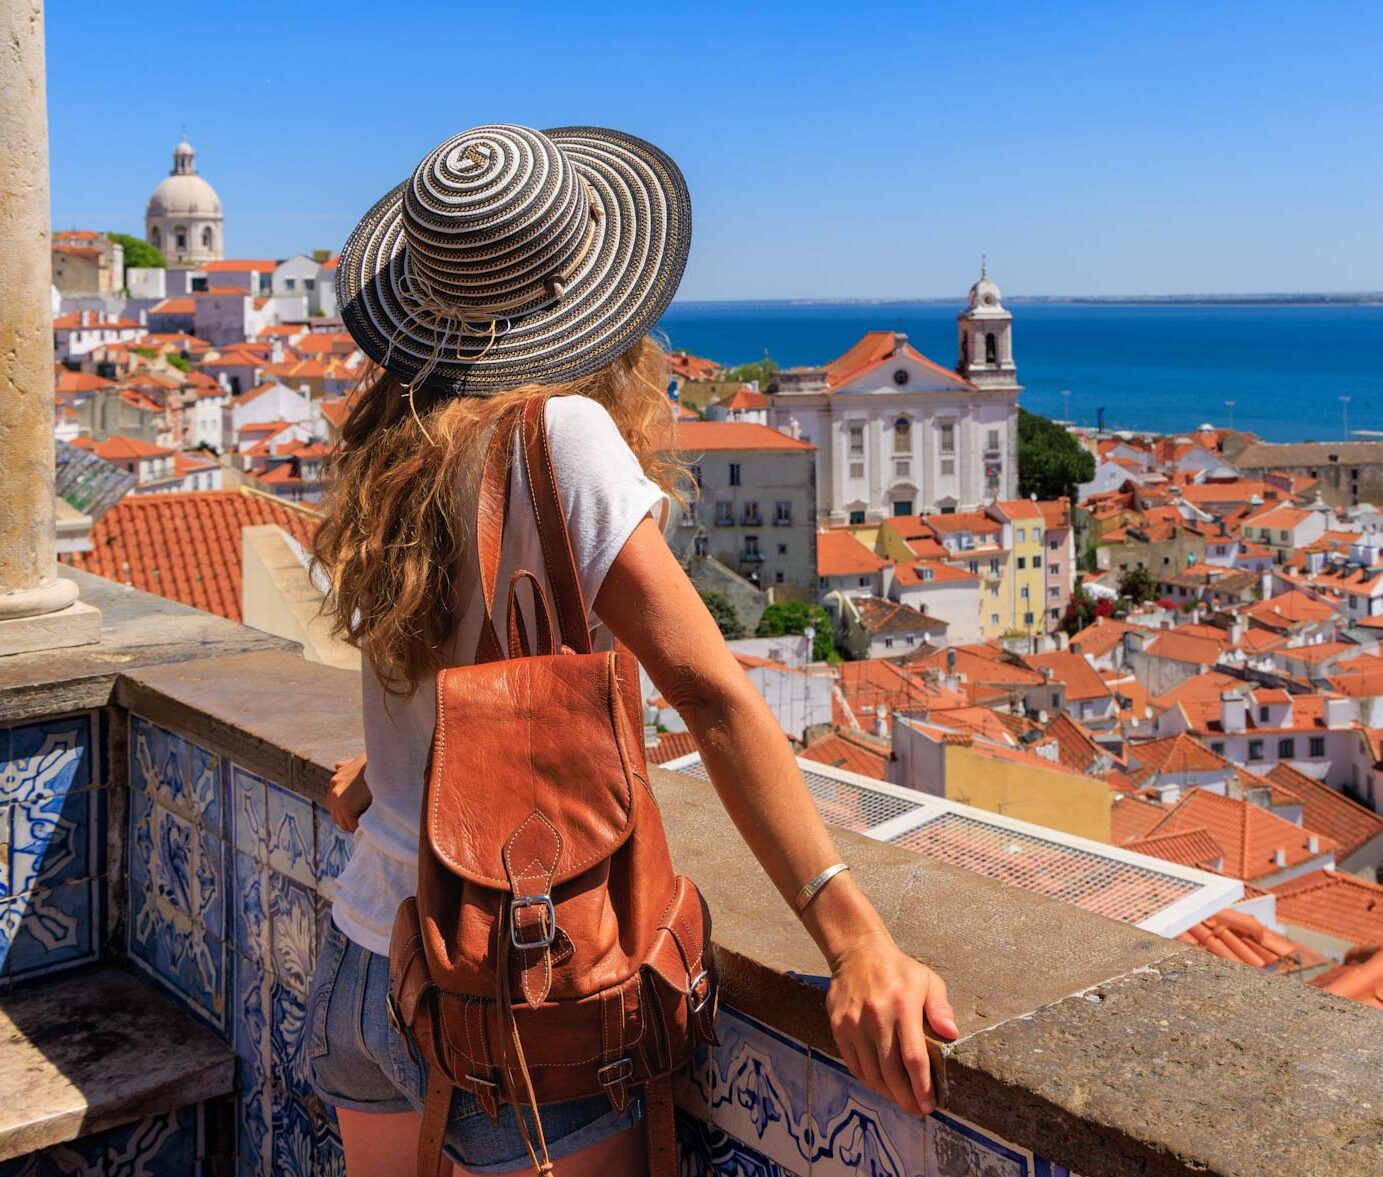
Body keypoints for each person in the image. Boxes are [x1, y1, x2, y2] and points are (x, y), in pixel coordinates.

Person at [305, 124, 956, 1176]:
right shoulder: (559, 433)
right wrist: (853, 937)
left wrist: (392, 781)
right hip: (509, 994)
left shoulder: (403, 434)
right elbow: (711, 693)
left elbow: (432, 668)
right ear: (586, 289)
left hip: (362, 959)